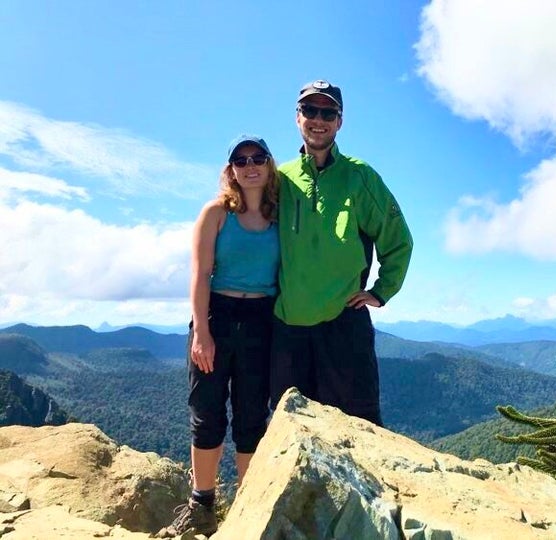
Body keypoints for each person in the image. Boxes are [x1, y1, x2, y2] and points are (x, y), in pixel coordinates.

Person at [270, 79, 413, 426]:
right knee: (292, 428)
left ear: (339, 121)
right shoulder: (280, 179)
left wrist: (381, 292)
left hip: (344, 323)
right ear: (297, 117)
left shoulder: (360, 176)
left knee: (360, 423)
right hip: (287, 327)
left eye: (328, 111)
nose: (318, 119)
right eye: (310, 110)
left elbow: (398, 239)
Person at [161, 134, 280, 538]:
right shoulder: (216, 213)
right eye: (240, 159)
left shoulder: (281, 216)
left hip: (262, 320)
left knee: (251, 418)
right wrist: (202, 332)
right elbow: (200, 274)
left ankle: (246, 509)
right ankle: (202, 504)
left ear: (269, 165)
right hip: (217, 315)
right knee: (207, 412)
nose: (250, 165)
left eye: (258, 157)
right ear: (230, 169)